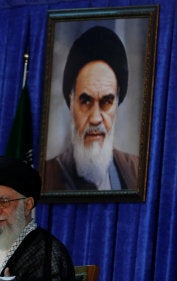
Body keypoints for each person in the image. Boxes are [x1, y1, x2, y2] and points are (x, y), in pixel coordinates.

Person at [44, 25, 139, 191]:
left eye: (106, 102)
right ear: (71, 101)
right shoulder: (45, 178)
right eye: (86, 101)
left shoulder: (136, 170)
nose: (95, 118)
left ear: (117, 103)